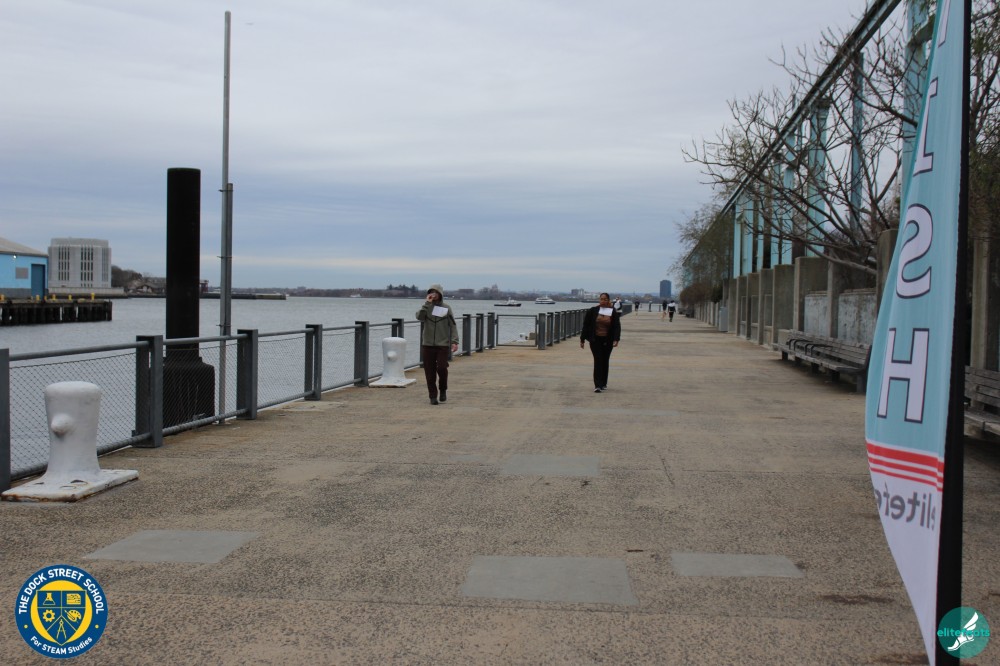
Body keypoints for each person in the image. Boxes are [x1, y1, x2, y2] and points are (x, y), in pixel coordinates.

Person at [415, 284, 459, 405]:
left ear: (440, 294)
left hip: (442, 344)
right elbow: (419, 317)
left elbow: (453, 325)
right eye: (431, 292)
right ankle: (433, 396)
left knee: (442, 368)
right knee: (429, 372)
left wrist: (455, 341)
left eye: (435, 292)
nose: (433, 294)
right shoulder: (426, 307)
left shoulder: (446, 308)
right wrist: (426, 304)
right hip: (428, 344)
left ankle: (443, 389)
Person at [580, 292, 621, 393]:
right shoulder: (593, 310)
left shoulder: (612, 311)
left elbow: (617, 326)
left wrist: (616, 339)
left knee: (605, 360)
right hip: (595, 339)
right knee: (598, 360)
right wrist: (582, 339)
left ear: (608, 300)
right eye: (601, 299)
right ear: (599, 300)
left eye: (605, 299)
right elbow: (586, 325)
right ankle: (597, 385)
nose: (603, 301)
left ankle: (603, 382)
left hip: (608, 340)